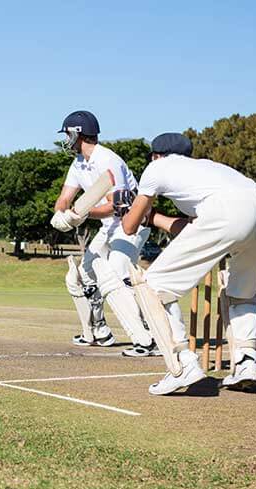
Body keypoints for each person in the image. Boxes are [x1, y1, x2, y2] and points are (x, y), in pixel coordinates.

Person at [120, 132, 256, 395]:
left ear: (156, 155)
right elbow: (196, 227)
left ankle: (183, 365)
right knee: (242, 291)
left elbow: (129, 226)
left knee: (151, 286)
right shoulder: (207, 168)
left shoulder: (156, 167)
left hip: (228, 212)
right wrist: (154, 218)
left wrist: (133, 212)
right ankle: (247, 363)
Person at [49, 110, 158, 357]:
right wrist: (61, 214)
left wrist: (81, 215)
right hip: (109, 226)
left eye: (67, 135)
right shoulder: (78, 164)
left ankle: (148, 337)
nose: (66, 141)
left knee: (118, 270)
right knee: (86, 273)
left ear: (78, 133)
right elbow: (65, 197)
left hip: (132, 223)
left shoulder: (108, 161)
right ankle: (100, 331)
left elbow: (116, 205)